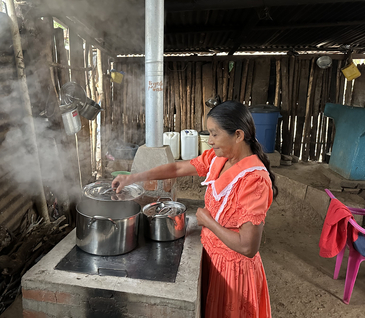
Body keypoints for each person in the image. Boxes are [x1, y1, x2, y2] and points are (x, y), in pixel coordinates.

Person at [112, 100, 277, 318]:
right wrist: (134, 177)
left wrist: (208, 221)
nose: (209, 141)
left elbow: (248, 247)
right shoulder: (219, 159)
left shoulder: (254, 180)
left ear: (238, 135)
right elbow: (177, 167)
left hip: (234, 274)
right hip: (212, 259)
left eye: (215, 134)